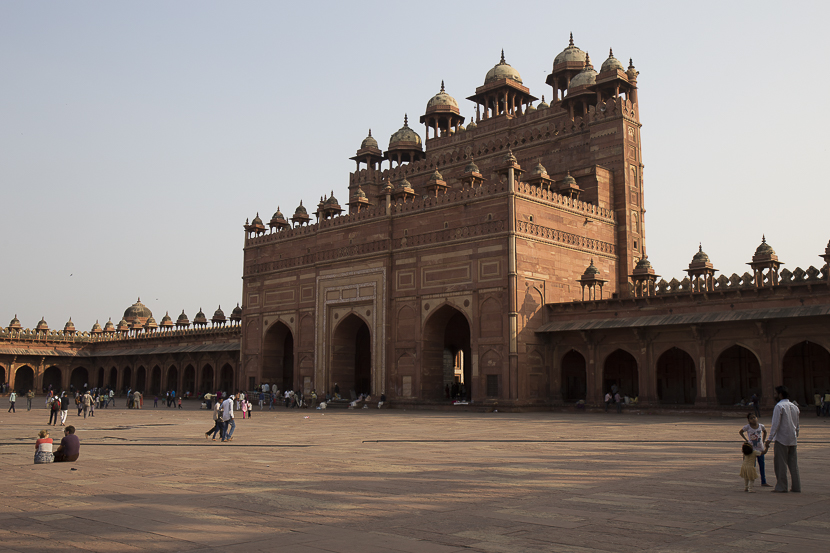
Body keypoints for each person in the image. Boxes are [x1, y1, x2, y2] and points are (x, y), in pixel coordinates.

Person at [765, 385, 801, 493]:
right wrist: (795, 435)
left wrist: (769, 439)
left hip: (781, 439)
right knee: (793, 464)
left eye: (775, 394)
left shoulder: (779, 406)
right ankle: (796, 487)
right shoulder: (794, 406)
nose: (774, 396)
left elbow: (775, 424)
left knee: (781, 464)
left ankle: (781, 486)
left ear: (780, 394)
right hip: (792, 439)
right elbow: (797, 425)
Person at [739, 412, 770, 487]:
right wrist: (746, 439)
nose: (753, 419)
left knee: (762, 465)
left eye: (754, 417)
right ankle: (750, 481)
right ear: (748, 420)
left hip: (760, 448)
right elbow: (741, 432)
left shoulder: (761, 426)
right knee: (752, 466)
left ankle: (763, 481)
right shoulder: (747, 427)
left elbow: (765, 432)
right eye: (751, 418)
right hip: (751, 449)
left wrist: (763, 440)